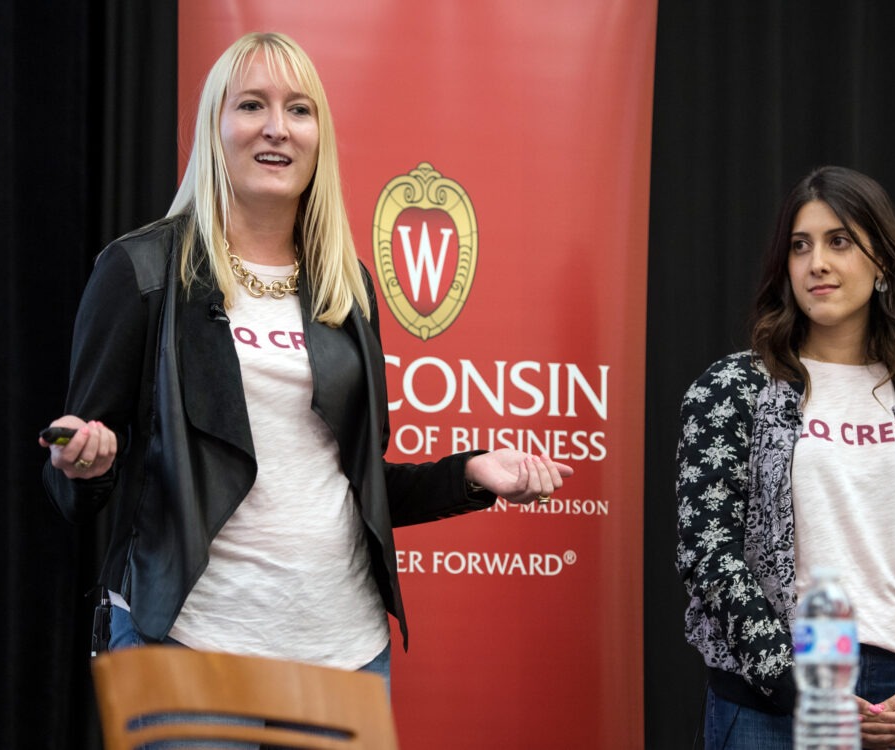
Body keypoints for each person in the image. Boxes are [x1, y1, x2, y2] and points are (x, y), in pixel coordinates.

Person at [40, 31, 571, 692]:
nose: (276, 129)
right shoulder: (142, 272)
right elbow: (75, 481)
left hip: (342, 652)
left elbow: (355, 484)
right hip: (185, 644)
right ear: (215, 126)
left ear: (319, 134)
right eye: (251, 105)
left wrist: (470, 474)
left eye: (299, 109)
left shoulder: (346, 288)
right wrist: (85, 463)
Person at [675, 166, 895, 749]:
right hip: (772, 700)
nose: (816, 262)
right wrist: (802, 689)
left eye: (838, 241)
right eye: (800, 246)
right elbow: (708, 554)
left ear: (882, 264)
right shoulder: (733, 389)